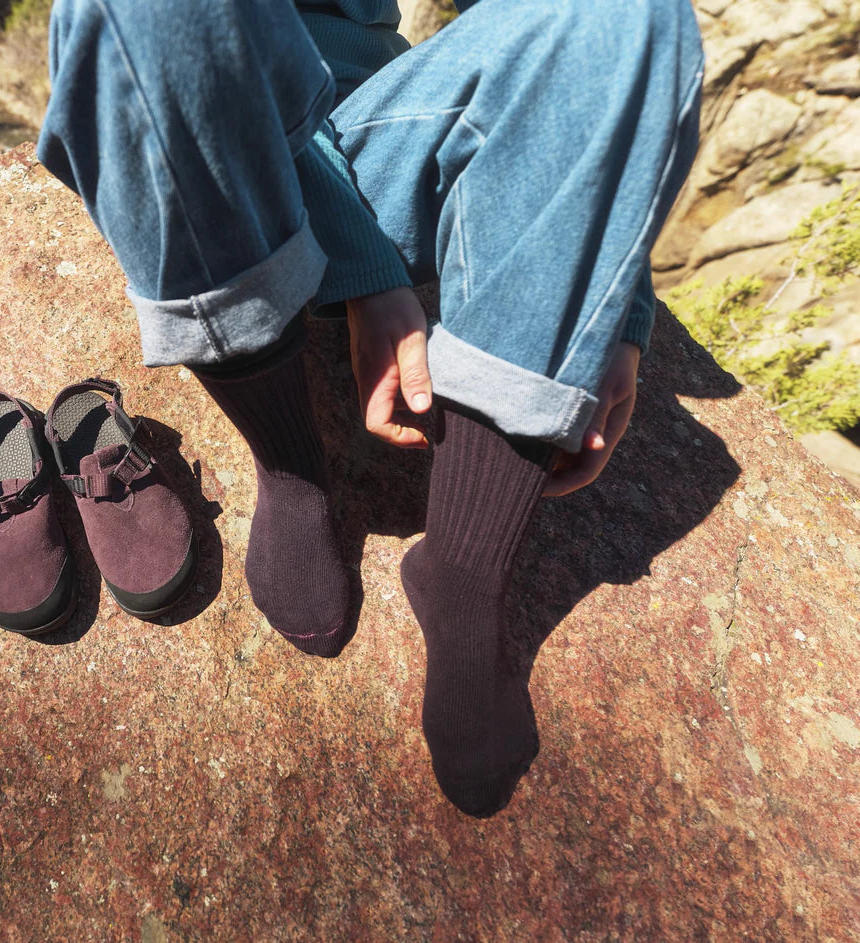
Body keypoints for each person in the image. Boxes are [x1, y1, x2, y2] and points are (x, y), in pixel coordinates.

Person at [35, 0, 704, 816]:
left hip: (379, 116)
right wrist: (364, 267)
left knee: (632, 15)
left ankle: (461, 574)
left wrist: (616, 303)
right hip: (222, 140)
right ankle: (293, 473)